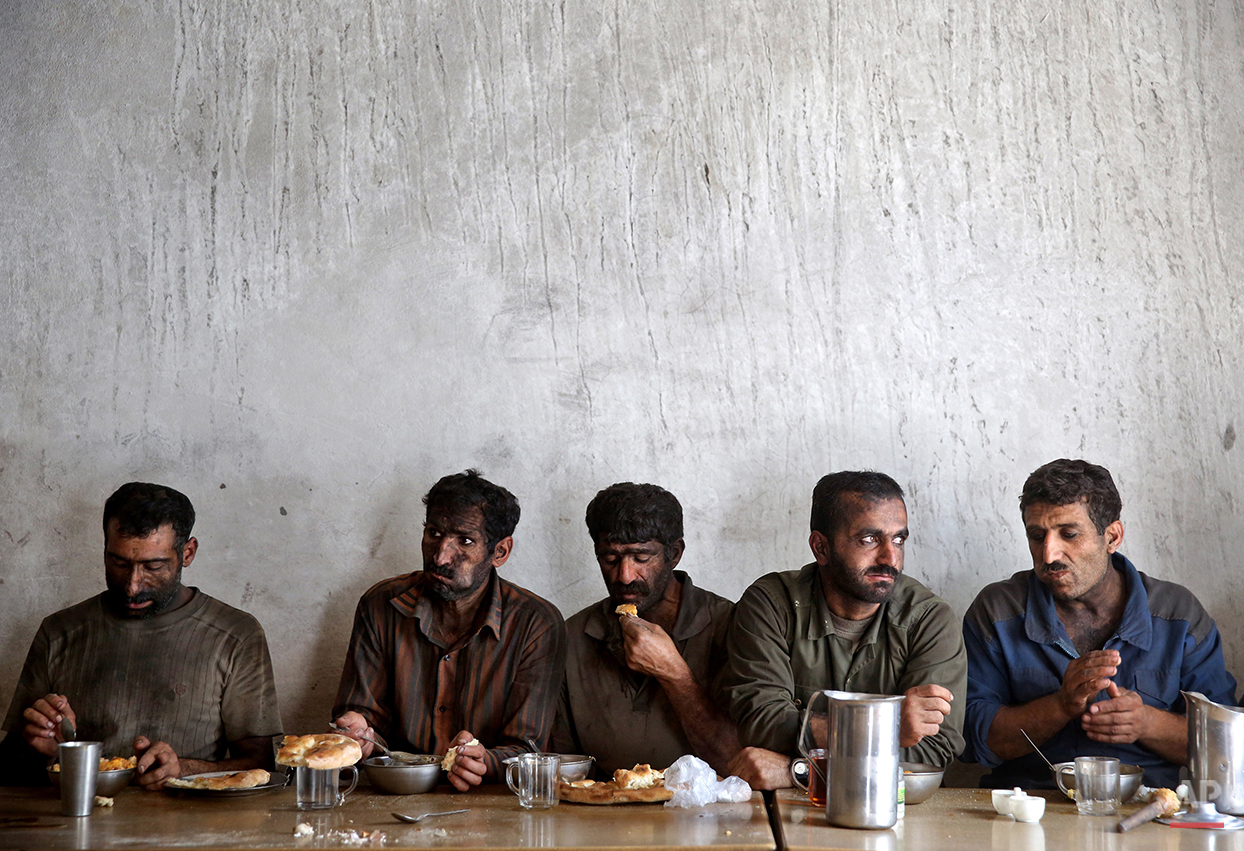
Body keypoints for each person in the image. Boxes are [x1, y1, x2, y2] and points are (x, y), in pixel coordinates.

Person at [962, 459, 1237, 789]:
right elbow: (974, 742)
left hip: (1148, 809)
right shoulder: (997, 611)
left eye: (1069, 534)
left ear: (1112, 536)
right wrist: (1061, 705)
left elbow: (1226, 745)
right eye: (1037, 536)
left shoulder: (1177, 615)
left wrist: (1147, 722)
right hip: (1027, 809)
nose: (1049, 554)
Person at [0, 482, 282, 788]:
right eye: (119, 563)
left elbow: (261, 763)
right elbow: (9, 768)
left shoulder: (235, 635)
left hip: (188, 824)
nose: (133, 586)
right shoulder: (59, 632)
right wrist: (50, 752)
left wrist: (182, 769)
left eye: (153, 565)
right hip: (76, 820)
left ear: (187, 553)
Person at [719, 471, 967, 789]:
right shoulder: (772, 603)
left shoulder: (929, 619)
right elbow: (761, 723)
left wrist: (800, 771)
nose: (890, 557)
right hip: (786, 813)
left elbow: (934, 750)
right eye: (869, 539)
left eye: (898, 539)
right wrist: (889, 729)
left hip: (896, 816)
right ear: (821, 547)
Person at [333, 470, 565, 791]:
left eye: (465, 540)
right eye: (433, 533)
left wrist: (486, 761)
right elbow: (363, 718)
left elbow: (529, 749)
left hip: (490, 811)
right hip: (394, 798)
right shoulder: (381, 605)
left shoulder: (535, 623)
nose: (441, 556)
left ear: (500, 552)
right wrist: (359, 734)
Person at [551, 483, 737, 775]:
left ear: (674, 553)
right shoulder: (572, 636)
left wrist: (674, 673)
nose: (625, 576)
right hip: (600, 813)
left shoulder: (730, 625)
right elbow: (563, 767)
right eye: (610, 559)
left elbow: (735, 762)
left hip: (706, 815)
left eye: (641, 558)